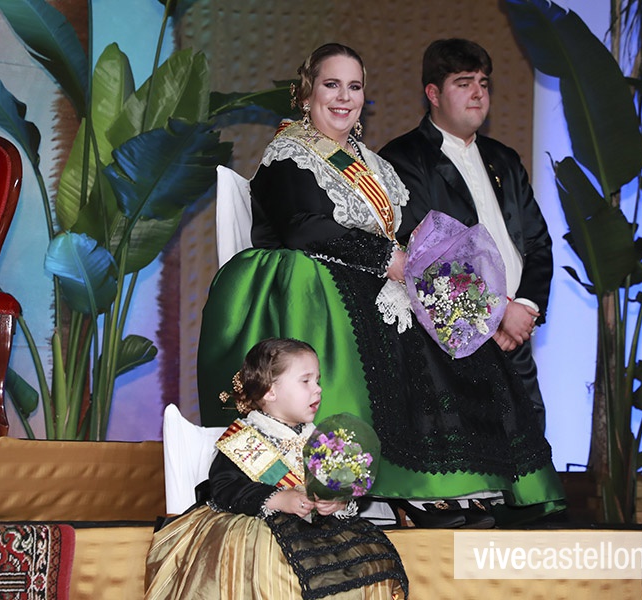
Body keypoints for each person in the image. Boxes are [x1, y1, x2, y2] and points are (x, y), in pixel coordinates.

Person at [196, 43, 566, 528]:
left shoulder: (373, 164)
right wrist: (387, 259)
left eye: (354, 87)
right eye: (331, 85)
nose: (344, 97)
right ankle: (404, 491)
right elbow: (303, 229)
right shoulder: (288, 153)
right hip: (311, 283)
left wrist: (475, 305)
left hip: (371, 281)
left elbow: (412, 235)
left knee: (459, 346)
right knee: (381, 333)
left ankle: (451, 487)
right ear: (306, 95)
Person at [145, 338, 408, 599]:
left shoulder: (321, 440)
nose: (317, 389)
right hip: (257, 534)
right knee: (269, 569)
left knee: (363, 569)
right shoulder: (243, 439)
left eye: (317, 381)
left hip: (318, 537)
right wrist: (277, 499)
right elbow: (225, 488)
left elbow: (337, 485)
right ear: (270, 391)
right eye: (305, 381)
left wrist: (336, 502)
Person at [379, 38, 553, 426]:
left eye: (483, 83)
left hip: (517, 339)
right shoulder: (403, 158)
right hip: (451, 348)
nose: (478, 93)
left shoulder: (504, 159)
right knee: (472, 455)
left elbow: (538, 243)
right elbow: (425, 255)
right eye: (463, 83)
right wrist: (498, 313)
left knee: (532, 448)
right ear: (433, 94)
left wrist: (524, 308)